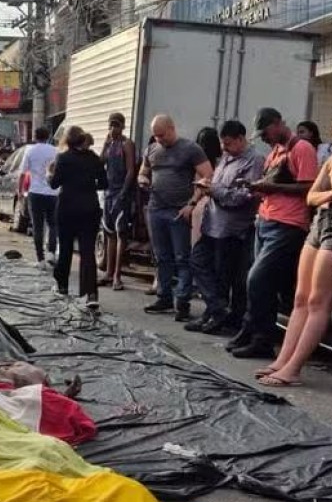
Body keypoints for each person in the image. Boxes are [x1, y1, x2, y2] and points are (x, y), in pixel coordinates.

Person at [256, 109, 332, 386]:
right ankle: (281, 361)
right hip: (320, 224)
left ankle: (294, 369)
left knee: (318, 301)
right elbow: (311, 197)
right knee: (300, 298)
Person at [227, 107, 319, 359]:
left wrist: (269, 187)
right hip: (266, 220)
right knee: (257, 282)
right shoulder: (276, 151)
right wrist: (255, 188)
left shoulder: (302, 149)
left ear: (279, 123)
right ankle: (251, 330)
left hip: (288, 224)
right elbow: (274, 184)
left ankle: (263, 339)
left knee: (258, 280)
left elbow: (308, 188)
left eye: (266, 131)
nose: (264, 137)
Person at [187, 120, 263, 337]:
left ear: (241, 139)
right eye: (223, 144)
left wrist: (215, 190)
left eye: (229, 143)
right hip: (212, 225)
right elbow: (217, 183)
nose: (224, 148)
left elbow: (243, 196)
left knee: (223, 275)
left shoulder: (254, 161)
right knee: (197, 262)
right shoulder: (226, 159)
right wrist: (206, 187)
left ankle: (219, 316)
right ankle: (216, 309)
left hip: (232, 228)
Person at [138, 114, 213, 322]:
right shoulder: (152, 149)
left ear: (172, 129)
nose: (159, 139)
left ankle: (182, 302)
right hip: (156, 209)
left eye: (162, 135)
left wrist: (192, 203)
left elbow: (207, 176)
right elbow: (143, 171)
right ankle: (164, 297)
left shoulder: (190, 149)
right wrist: (143, 179)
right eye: (155, 136)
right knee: (162, 257)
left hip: (178, 211)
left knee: (182, 257)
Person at [47, 125, 108, 308]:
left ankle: (63, 286)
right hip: (90, 208)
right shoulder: (94, 159)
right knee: (87, 252)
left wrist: (50, 175)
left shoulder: (63, 158)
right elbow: (104, 183)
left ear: (68, 140)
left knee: (65, 249)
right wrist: (88, 187)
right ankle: (90, 293)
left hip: (67, 208)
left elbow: (54, 184)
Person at [99, 113, 137, 290]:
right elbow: (100, 163)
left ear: (122, 126)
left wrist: (123, 193)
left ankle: (117, 276)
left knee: (121, 232)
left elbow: (131, 170)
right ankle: (108, 272)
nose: (112, 129)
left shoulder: (126, 144)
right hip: (108, 193)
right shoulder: (110, 144)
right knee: (109, 233)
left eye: (116, 125)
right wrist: (105, 145)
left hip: (120, 193)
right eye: (110, 125)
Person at [22, 127, 60, 268]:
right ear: (48, 135)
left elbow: (23, 171)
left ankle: (40, 260)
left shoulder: (30, 151)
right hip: (52, 192)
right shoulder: (55, 151)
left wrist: (21, 191)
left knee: (38, 226)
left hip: (35, 192)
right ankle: (51, 252)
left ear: (35, 136)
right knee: (53, 224)